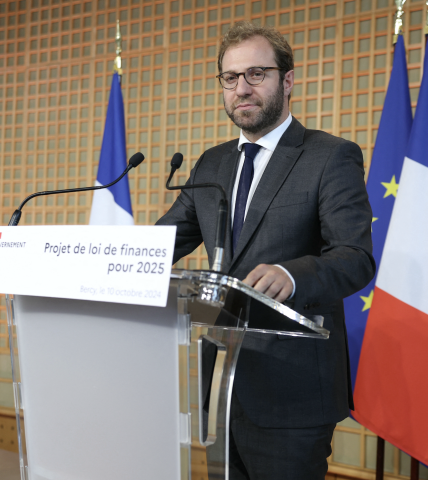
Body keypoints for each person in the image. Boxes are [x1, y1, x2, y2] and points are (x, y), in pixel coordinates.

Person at [157, 22, 375, 479]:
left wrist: (293, 275)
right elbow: (161, 244)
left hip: (292, 387)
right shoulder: (211, 162)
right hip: (221, 384)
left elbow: (355, 258)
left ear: (287, 80)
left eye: (256, 74)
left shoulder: (329, 156)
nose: (242, 88)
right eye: (230, 78)